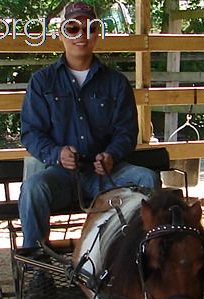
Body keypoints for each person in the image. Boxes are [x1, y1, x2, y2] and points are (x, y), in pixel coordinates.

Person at [18, 1, 159, 250]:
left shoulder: (116, 83)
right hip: (61, 175)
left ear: (97, 34)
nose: (81, 36)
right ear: (61, 34)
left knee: (147, 178)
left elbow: (126, 131)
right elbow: (31, 132)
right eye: (73, 28)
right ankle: (37, 263)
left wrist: (111, 155)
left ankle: (142, 253)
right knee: (32, 188)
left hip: (106, 175)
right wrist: (57, 154)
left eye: (89, 28)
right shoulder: (42, 82)